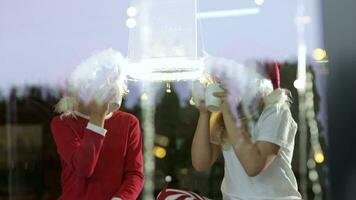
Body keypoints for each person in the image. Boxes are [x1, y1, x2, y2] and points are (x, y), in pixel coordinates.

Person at [191, 64, 302, 200]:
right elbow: (200, 163)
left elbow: (254, 166)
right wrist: (204, 113)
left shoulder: (276, 110)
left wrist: (228, 112)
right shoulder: (224, 114)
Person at [51, 49, 144, 200]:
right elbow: (83, 169)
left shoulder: (129, 123)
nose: (110, 86)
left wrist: (121, 198)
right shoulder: (63, 124)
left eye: (113, 79)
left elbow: (135, 174)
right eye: (102, 79)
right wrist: (97, 118)